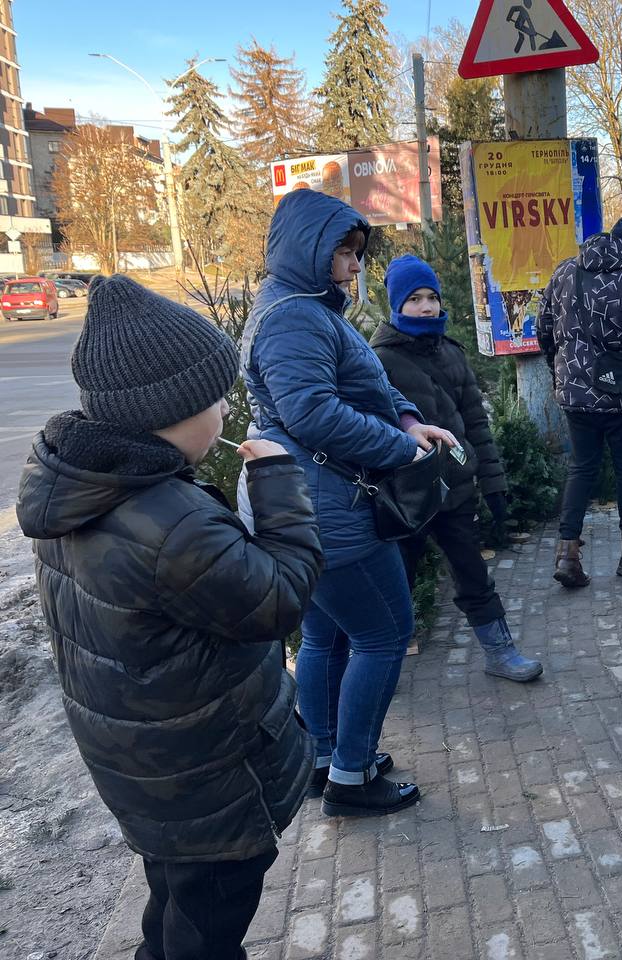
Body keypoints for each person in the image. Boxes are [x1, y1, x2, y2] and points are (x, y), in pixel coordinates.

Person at [16, 275, 324, 960]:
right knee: (210, 915)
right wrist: (279, 484)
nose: (225, 409)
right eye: (216, 398)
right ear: (171, 412)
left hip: (146, 766)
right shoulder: (168, 522)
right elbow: (278, 599)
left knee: (177, 898)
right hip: (202, 774)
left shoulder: (82, 484)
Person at [241, 189, 457, 818]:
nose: (355, 264)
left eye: (358, 251)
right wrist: (401, 448)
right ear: (308, 249)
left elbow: (368, 384)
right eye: (344, 251)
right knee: (385, 635)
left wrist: (409, 420)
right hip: (326, 504)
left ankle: (323, 757)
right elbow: (313, 413)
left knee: (325, 634)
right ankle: (352, 777)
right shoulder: (294, 318)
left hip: (307, 499)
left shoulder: (305, 307)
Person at [371, 254, 542, 682]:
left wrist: (494, 483)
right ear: (397, 304)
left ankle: (500, 651)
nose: (427, 307)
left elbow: (476, 424)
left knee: (472, 573)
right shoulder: (377, 359)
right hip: (406, 493)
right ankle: (379, 667)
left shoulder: (451, 353)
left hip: (455, 489)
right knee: (397, 581)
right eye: (414, 299)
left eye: (432, 297)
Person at [537, 216, 622, 587]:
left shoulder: (565, 272)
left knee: (581, 467)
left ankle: (567, 556)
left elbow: (544, 329)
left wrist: (560, 372)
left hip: (574, 393)